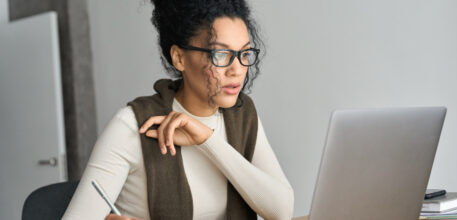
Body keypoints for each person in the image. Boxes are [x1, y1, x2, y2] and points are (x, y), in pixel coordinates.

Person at [62, 0, 294, 219]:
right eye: (221, 54)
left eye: (244, 53)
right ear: (179, 58)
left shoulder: (242, 114)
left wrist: (206, 139)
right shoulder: (133, 125)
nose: (237, 69)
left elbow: (282, 211)